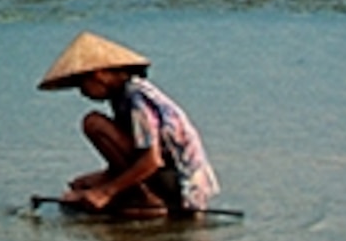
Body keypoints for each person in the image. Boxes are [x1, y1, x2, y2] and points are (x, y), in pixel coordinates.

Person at [39, 30, 217, 216]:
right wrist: (100, 180)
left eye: (82, 84)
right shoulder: (122, 97)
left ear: (99, 75)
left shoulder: (136, 98)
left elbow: (152, 160)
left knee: (94, 123)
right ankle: (140, 193)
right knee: (83, 183)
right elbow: (134, 151)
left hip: (180, 183)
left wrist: (104, 192)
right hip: (168, 175)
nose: (83, 92)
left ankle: (148, 199)